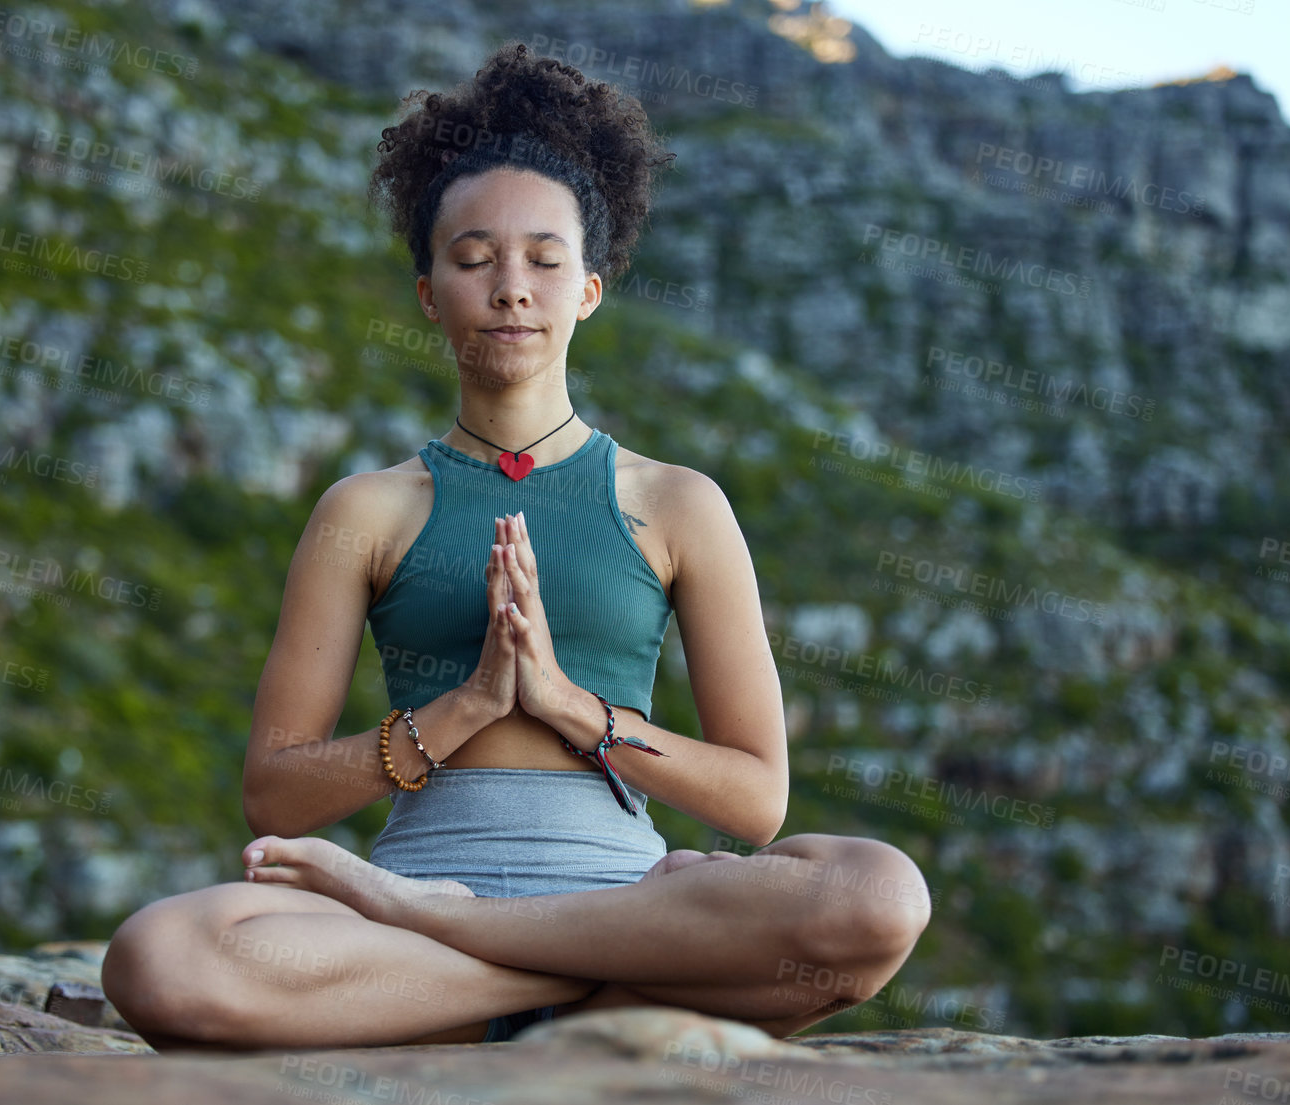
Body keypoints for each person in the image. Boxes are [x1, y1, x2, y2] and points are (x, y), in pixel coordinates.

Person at [101, 40, 930, 1050]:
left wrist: (569, 705)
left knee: (880, 896)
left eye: (545, 259)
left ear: (588, 288)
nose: (511, 288)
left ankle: (484, 958)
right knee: (161, 956)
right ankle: (576, 990)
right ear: (427, 293)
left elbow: (756, 799)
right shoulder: (365, 509)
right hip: (405, 903)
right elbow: (275, 790)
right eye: (472, 258)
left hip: (625, 900)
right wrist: (468, 708)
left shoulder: (677, 503)